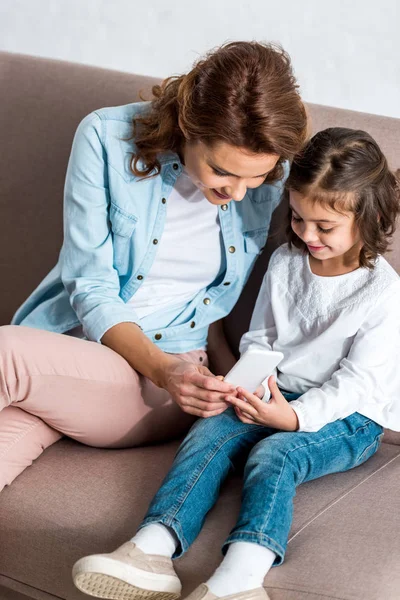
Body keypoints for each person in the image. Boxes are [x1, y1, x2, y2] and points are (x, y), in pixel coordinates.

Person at [72, 127, 400, 600]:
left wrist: (292, 418)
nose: (307, 235)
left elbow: (359, 382)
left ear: (368, 220)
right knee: (210, 429)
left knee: (276, 454)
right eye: (299, 219)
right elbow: (263, 337)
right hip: (279, 390)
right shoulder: (287, 260)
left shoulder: (382, 293)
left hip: (352, 415)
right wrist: (247, 386)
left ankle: (242, 579)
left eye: (324, 227)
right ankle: (152, 548)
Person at [0, 41, 307, 492]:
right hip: (65, 348)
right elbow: (90, 285)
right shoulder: (106, 136)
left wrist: (188, 373)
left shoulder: (275, 177)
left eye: (255, 176)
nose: (240, 193)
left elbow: (213, 312)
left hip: (164, 377)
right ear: (187, 128)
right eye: (222, 171)